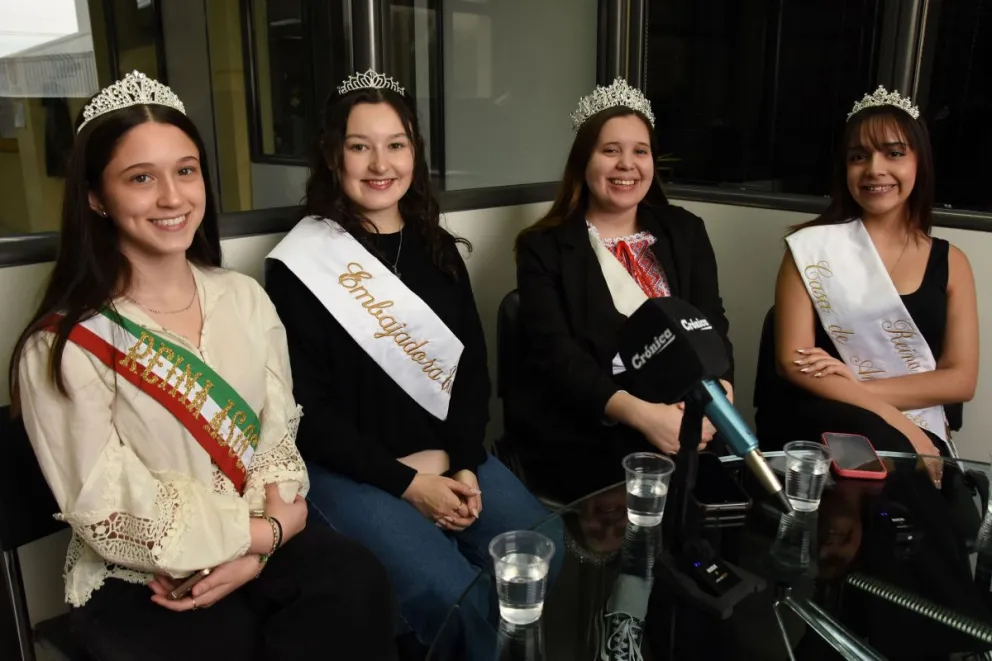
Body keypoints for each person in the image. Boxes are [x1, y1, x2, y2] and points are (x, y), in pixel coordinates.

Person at [9, 71, 397, 661]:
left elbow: (276, 434)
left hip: (263, 539)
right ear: (94, 196)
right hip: (142, 574)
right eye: (141, 178)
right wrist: (256, 535)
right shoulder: (62, 345)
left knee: (355, 582)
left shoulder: (243, 298)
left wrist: (261, 543)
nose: (172, 197)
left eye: (185, 171)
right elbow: (109, 504)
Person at [264, 70, 556, 652]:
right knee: (454, 592)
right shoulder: (299, 265)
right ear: (331, 155)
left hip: (445, 454)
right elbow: (309, 416)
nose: (380, 163)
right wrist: (410, 484)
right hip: (346, 469)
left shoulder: (436, 247)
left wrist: (461, 463)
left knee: (542, 544)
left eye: (395, 144)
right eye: (359, 146)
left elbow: (472, 374)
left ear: (414, 153)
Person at [513, 78, 735, 503]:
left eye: (640, 151)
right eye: (610, 150)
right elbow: (558, 357)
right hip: (595, 426)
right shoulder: (543, 248)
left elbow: (712, 321)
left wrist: (720, 392)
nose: (626, 165)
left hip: (690, 413)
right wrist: (645, 417)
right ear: (584, 161)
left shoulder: (686, 230)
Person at [758, 86, 978, 485]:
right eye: (859, 156)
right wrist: (902, 425)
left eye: (894, 153)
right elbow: (793, 363)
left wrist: (855, 383)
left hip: (903, 421)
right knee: (892, 475)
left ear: (919, 163)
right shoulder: (809, 249)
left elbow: (961, 380)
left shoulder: (953, 263)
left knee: (939, 510)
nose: (875, 169)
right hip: (827, 424)